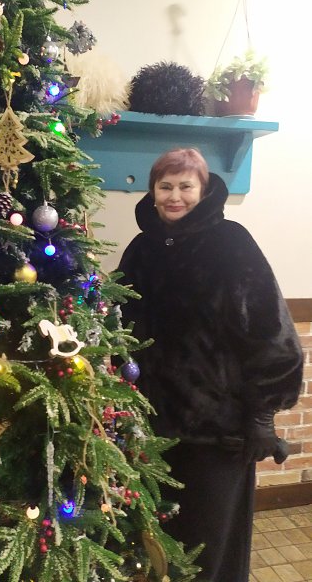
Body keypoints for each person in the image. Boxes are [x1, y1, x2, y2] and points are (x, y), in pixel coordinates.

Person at [117, 147, 303, 582]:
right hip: (151, 425)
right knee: (160, 540)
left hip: (216, 431)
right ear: (153, 191)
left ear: (203, 191)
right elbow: (118, 318)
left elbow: (270, 330)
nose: (174, 196)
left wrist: (262, 416)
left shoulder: (231, 242)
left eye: (186, 186)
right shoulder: (142, 249)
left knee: (210, 543)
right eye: (165, 186)